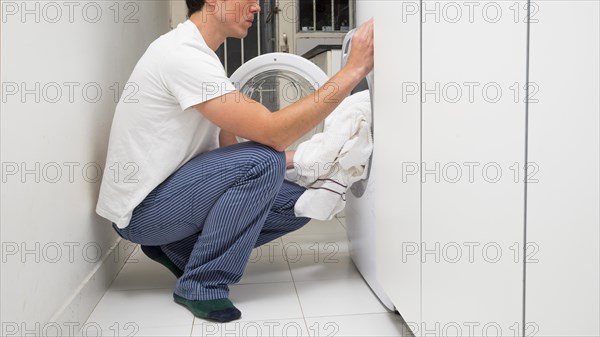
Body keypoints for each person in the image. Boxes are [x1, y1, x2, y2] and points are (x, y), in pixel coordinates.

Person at [96, 0, 374, 323]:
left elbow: (225, 148)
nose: (257, 7)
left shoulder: (204, 57)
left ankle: (175, 248)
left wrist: (308, 159)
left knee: (303, 203)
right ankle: (201, 284)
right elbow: (272, 135)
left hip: (165, 196)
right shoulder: (182, 56)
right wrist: (353, 70)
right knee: (265, 162)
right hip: (141, 211)